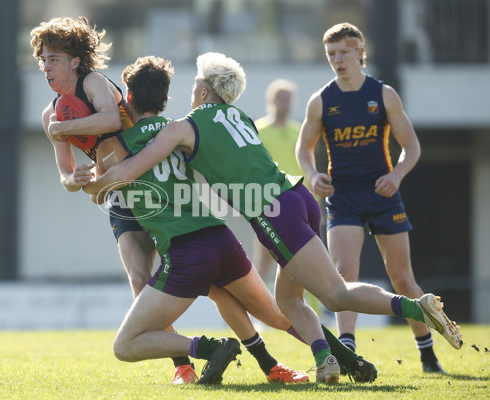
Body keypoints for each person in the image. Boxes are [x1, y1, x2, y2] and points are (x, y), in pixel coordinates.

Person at [82, 52, 463, 384]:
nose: (192, 89)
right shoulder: (241, 117)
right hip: (298, 198)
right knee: (288, 303)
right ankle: (327, 360)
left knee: (335, 293)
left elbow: (135, 167)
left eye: (196, 82)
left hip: (272, 213)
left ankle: (416, 306)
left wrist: (83, 179)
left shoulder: (186, 126)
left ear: (203, 91)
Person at [29, 17, 195, 383]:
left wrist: (64, 129)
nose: (46, 67)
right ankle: (184, 363)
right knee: (139, 280)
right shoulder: (50, 115)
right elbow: (65, 175)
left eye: (53, 58)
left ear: (75, 60)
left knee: (208, 275)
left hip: (154, 187)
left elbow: (109, 120)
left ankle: (258, 349)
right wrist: (76, 178)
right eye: (43, 59)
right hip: (118, 194)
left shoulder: (93, 83)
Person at [295, 22, 447, 374]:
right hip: (343, 197)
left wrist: (396, 175)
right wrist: (314, 175)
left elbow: (411, 147)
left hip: (382, 195)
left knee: (402, 279)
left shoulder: (383, 94)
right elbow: (303, 148)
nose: (338, 60)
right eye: (331, 55)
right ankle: (348, 348)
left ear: (361, 52)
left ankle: (427, 353)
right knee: (343, 275)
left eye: (344, 53)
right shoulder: (321, 100)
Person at [252, 79, 303, 286]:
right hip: (267, 202)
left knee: (301, 257)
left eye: (288, 98)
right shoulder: (258, 130)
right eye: (280, 97)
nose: (284, 102)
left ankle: (315, 312)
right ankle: (255, 312)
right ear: (271, 100)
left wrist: (314, 199)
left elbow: (305, 167)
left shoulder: (298, 131)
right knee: (264, 260)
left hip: (297, 201)